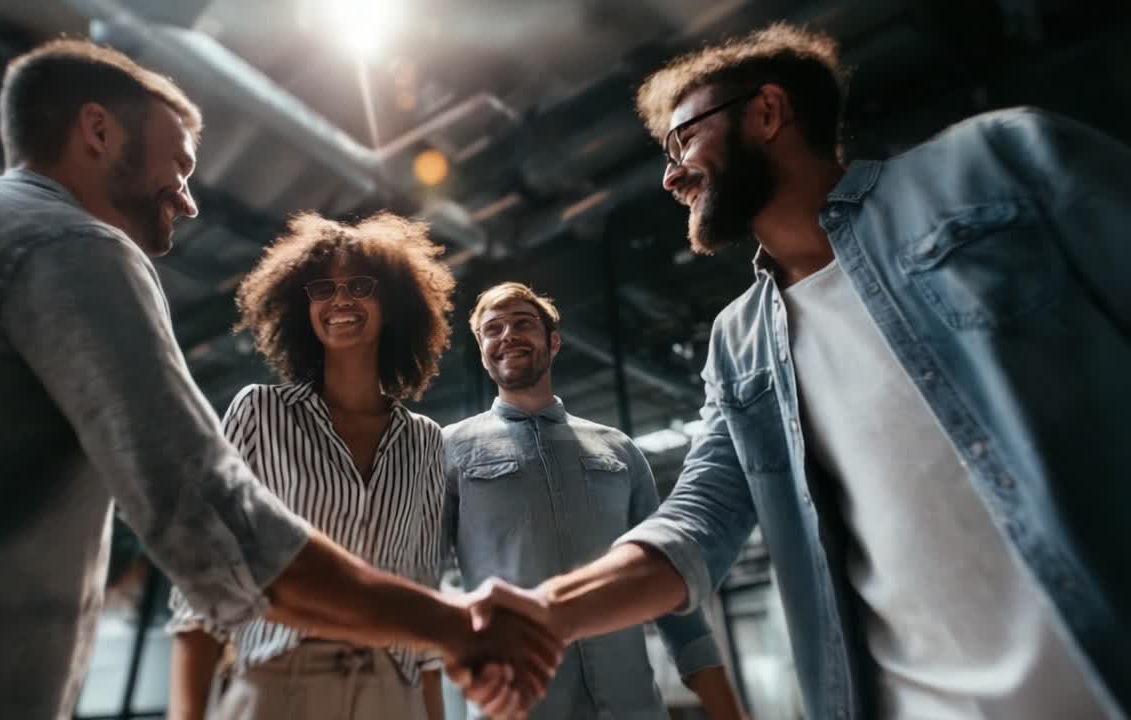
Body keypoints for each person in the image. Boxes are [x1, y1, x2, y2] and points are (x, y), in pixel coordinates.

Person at [0, 39, 558, 720]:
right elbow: (202, 511)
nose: (187, 199)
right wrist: (456, 624)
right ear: (97, 130)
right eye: (178, 165)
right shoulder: (71, 242)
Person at [455, 22, 1130, 720]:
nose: (671, 173)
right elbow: (699, 520)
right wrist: (546, 612)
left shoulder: (997, 164)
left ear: (767, 113)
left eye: (683, 139)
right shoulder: (740, 341)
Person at [166, 212, 456, 720]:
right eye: (323, 288)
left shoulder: (426, 442)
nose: (340, 299)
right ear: (302, 307)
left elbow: (423, 590)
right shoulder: (259, 412)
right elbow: (207, 571)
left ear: (391, 305)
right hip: (280, 685)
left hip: (393, 694)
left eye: (360, 286)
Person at [442, 282, 747, 720]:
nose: (507, 335)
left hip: (633, 708)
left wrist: (727, 711)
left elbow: (670, 580)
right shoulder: (448, 450)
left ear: (553, 341)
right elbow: (428, 586)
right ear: (483, 350)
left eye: (522, 323)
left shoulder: (619, 450)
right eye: (493, 329)